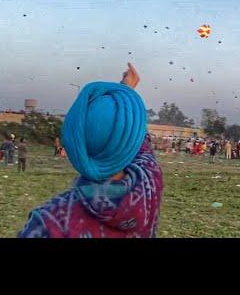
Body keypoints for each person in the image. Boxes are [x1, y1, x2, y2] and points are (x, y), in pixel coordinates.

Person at [18, 63, 163, 238]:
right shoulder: (149, 185)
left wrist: (124, 93)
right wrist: (126, 94)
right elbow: (133, 135)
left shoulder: (50, 223)